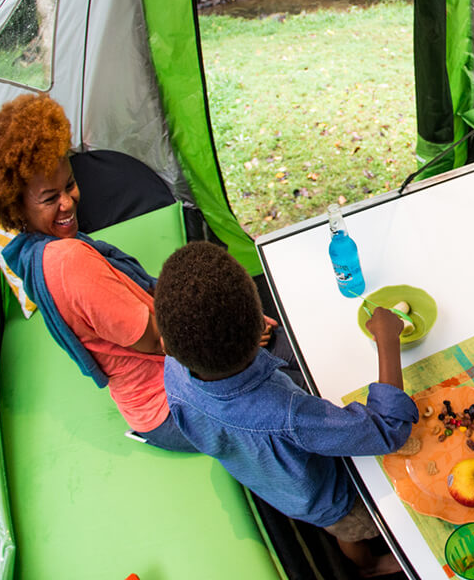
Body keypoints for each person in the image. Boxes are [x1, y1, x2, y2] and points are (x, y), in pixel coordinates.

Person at [0, 92, 221, 452]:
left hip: (158, 392)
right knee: (279, 397)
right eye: (49, 198)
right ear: (17, 207)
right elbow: (159, 342)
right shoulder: (68, 264)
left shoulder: (35, 253)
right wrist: (234, 340)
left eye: (69, 185)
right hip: (172, 406)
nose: (68, 202)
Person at [154, 241, 416, 577]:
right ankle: (370, 566)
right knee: (348, 528)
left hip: (267, 480)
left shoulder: (172, 371)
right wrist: (387, 340)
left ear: (165, 342)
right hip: (326, 498)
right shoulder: (287, 414)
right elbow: (388, 428)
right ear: (258, 334)